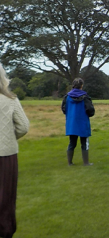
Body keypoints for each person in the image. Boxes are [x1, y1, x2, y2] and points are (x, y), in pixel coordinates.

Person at [0, 64, 29, 238]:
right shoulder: (10, 100)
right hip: (6, 156)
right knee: (5, 199)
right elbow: (23, 126)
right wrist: (8, 138)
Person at [61, 78, 95, 166]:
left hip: (71, 123)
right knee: (84, 142)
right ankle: (86, 162)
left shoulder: (67, 97)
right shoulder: (85, 97)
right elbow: (90, 110)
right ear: (81, 86)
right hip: (83, 122)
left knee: (72, 143)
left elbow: (64, 109)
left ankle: (70, 163)